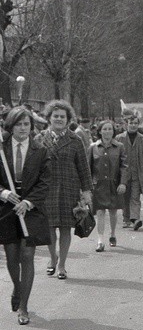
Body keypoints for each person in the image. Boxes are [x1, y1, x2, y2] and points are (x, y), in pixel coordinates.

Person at [0, 107, 52, 325]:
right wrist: (3, 192)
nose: (23, 129)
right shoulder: (1, 149)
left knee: (27, 256)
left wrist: (28, 202)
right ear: (11, 127)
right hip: (6, 208)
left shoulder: (40, 150)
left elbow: (45, 181)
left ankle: (23, 306)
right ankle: (17, 287)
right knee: (12, 257)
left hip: (31, 209)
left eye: (27, 125)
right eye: (19, 124)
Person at [35, 100, 92, 280]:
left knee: (66, 228)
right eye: (55, 116)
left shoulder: (76, 140)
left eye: (62, 117)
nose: (59, 119)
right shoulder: (39, 139)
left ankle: (62, 265)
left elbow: (84, 168)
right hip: (46, 190)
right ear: (49, 118)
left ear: (68, 119)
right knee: (49, 228)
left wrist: (87, 192)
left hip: (69, 189)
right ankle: (53, 257)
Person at [88, 120, 128, 252]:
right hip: (98, 185)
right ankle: (100, 240)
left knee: (113, 212)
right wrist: (88, 186)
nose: (107, 132)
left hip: (114, 184)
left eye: (109, 129)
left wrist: (122, 183)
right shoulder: (93, 147)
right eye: (104, 129)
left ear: (113, 131)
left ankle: (112, 234)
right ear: (99, 131)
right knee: (99, 212)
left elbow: (124, 166)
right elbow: (88, 168)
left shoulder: (119, 147)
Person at [116, 116, 143, 231]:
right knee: (125, 197)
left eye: (136, 123)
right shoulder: (119, 138)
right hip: (123, 174)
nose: (133, 125)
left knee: (135, 197)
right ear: (126, 124)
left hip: (137, 173)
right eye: (131, 123)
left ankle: (135, 219)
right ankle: (126, 219)